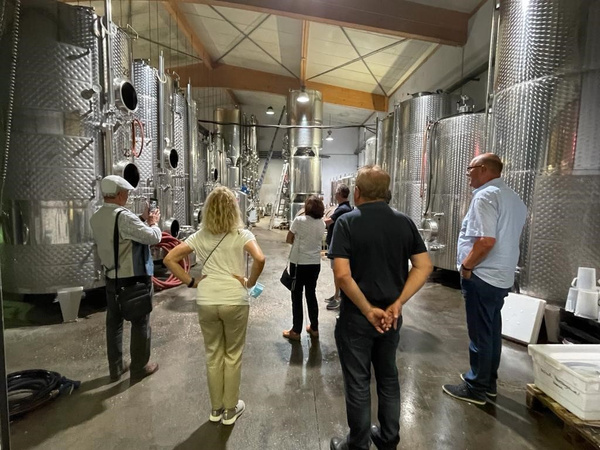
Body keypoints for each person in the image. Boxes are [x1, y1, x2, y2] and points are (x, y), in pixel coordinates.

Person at [328, 165, 433, 450]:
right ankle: (388, 438)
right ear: (387, 193)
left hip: (357, 318)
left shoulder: (347, 223)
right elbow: (424, 266)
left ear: (357, 192)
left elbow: (342, 275)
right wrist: (397, 303)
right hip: (391, 318)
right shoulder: (405, 222)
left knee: (358, 381)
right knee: (388, 377)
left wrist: (366, 309)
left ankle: (357, 444)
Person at [163, 186, 265, 425]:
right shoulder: (242, 235)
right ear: (234, 210)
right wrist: (249, 282)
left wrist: (191, 282)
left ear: (207, 210)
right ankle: (231, 409)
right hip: (234, 300)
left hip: (207, 300)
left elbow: (169, 258)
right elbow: (260, 258)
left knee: (213, 354)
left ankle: (216, 409)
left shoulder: (200, 236)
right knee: (233, 355)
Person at [443, 153, 526, 405]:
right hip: (501, 277)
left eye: (470, 169)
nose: (468, 174)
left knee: (480, 334)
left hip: (483, 275)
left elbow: (486, 241)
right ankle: (488, 383)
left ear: (482, 169)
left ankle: (476, 387)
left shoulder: (485, 196)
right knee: (491, 332)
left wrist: (467, 266)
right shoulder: (514, 198)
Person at [90, 175, 162, 382]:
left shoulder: (97, 216)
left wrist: (141, 219)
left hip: (112, 278)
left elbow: (120, 234)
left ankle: (116, 367)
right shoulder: (123, 217)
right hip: (133, 278)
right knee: (141, 323)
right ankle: (140, 367)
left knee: (114, 323)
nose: (128, 196)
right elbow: (153, 237)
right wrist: (153, 223)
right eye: (127, 193)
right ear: (120, 194)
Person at [283, 195, 326, 341]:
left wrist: (298, 242)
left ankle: (296, 331)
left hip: (299, 264)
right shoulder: (322, 224)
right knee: (311, 294)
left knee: (297, 296)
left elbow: (288, 239)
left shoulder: (299, 220)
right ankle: (314, 328)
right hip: (315, 264)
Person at [324, 184, 352, 311]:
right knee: (336, 271)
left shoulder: (343, 209)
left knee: (338, 272)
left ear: (340, 194)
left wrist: (313, 220)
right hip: (337, 244)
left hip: (338, 246)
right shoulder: (343, 207)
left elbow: (329, 221)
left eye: (336, 192)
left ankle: (338, 298)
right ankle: (336, 294)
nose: (335, 194)